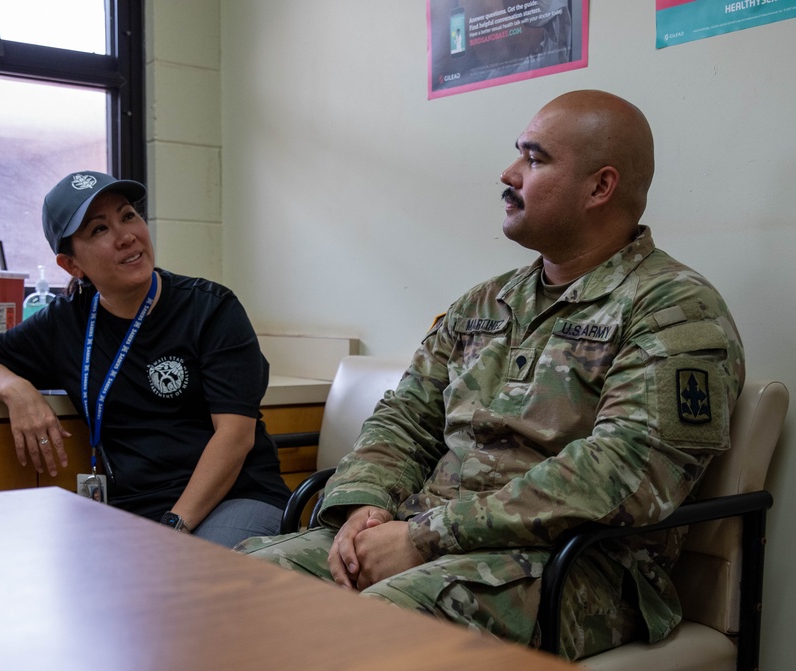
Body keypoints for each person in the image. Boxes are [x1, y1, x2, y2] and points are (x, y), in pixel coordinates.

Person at [239, 90, 745, 661]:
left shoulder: (674, 308)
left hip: (573, 565)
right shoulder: (483, 303)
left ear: (600, 187)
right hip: (424, 535)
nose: (508, 173)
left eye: (534, 158)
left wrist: (425, 537)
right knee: (230, 586)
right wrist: (366, 510)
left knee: (367, 631)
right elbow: (404, 419)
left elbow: (622, 472)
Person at [0, 171, 291, 548]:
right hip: (132, 510)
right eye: (99, 230)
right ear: (71, 265)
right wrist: (15, 389)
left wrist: (173, 528)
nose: (126, 236)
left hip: (234, 498)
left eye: (128, 215)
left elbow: (235, 436)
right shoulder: (67, 321)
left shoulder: (210, 309)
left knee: (194, 583)